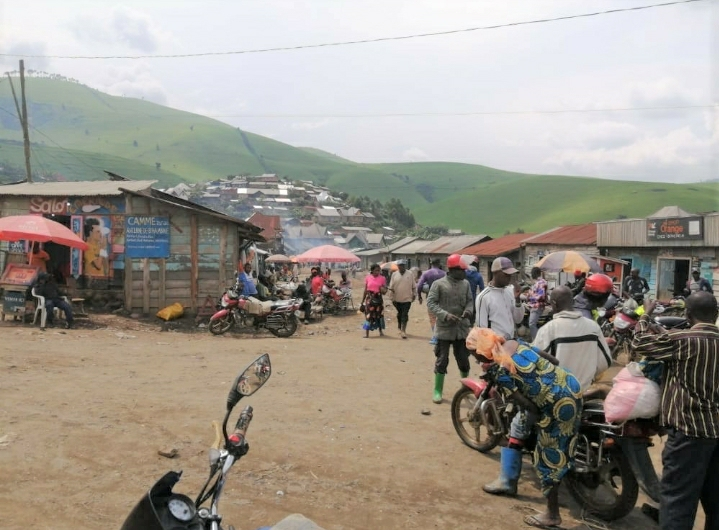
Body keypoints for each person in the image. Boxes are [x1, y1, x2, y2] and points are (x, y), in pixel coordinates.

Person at [467, 327, 581, 529]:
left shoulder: (500, 369)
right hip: (571, 385)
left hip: (555, 404)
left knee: (547, 456)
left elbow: (522, 402)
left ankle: (552, 514)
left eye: (475, 355)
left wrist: (538, 412)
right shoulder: (517, 343)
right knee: (565, 442)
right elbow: (553, 361)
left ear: (481, 352)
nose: (476, 359)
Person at [632, 292, 719, 530]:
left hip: (689, 433)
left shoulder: (683, 340)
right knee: (715, 501)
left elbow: (639, 343)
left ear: (687, 315)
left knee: (678, 501)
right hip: (716, 432)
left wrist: (645, 315)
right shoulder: (684, 339)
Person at [533, 286, 611, 390]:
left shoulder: (547, 330)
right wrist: (588, 376)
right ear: (573, 302)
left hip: (559, 395)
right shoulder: (593, 327)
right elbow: (605, 362)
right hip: (586, 391)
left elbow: (535, 364)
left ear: (554, 304)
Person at [426, 254, 473, 404]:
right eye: (462, 270)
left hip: (461, 329)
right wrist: (445, 315)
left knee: (463, 360)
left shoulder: (465, 284)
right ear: (452, 269)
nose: (465, 273)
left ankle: (465, 389)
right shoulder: (439, 284)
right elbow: (431, 303)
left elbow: (470, 301)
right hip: (444, 329)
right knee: (442, 360)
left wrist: (468, 311)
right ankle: (438, 390)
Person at [475, 257, 524, 340]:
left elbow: (518, 320)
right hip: (496, 345)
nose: (509, 277)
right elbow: (482, 330)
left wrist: (517, 299)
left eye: (510, 275)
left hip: (512, 342)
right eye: (506, 274)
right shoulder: (484, 297)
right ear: (495, 273)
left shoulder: (511, 291)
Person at [417, 258, 446, 345]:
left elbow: (419, 285)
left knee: (433, 318)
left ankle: (435, 337)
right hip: (442, 298)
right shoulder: (444, 274)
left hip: (431, 298)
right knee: (441, 316)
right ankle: (442, 336)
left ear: (431, 263)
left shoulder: (426, 273)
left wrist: (419, 296)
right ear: (439, 263)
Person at [388, 259, 415, 339]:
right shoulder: (394, 274)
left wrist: (414, 294)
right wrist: (391, 296)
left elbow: (414, 286)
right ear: (398, 266)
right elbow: (391, 286)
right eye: (399, 265)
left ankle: (403, 331)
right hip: (396, 299)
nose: (401, 267)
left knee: (404, 314)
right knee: (400, 313)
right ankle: (400, 326)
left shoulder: (410, 274)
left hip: (407, 298)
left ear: (405, 266)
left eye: (402, 265)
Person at [361, 263, 387, 338]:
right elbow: (365, 290)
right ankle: (367, 334)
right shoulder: (368, 278)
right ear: (372, 271)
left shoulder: (382, 278)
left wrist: (383, 289)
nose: (377, 272)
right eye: (376, 270)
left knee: (379, 315)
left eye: (379, 270)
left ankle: (380, 331)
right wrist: (362, 301)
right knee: (368, 316)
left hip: (378, 299)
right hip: (369, 300)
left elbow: (384, 291)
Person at [527, 266, 548, 341]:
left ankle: (537, 342)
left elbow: (540, 296)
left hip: (537, 306)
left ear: (534, 274)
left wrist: (529, 296)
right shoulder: (538, 282)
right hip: (534, 305)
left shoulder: (541, 282)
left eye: (532, 274)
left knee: (531, 324)